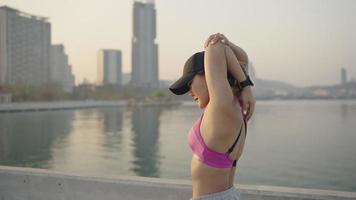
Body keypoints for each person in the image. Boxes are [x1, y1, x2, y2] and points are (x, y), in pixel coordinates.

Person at [169, 33, 255, 200]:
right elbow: (242, 59)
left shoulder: (222, 106)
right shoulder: (232, 107)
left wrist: (246, 86)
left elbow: (215, 47)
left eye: (189, 83)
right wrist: (228, 44)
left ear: (207, 74)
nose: (189, 92)